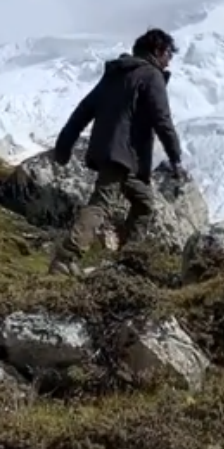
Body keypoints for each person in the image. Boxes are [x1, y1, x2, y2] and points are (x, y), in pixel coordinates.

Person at [48, 27, 188, 276]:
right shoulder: (151, 75)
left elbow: (84, 109)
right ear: (157, 50)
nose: (169, 60)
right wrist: (175, 158)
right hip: (122, 155)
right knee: (101, 205)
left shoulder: (115, 74)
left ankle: (128, 263)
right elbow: (162, 120)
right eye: (169, 54)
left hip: (116, 154)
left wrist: (64, 145)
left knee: (144, 204)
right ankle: (66, 258)